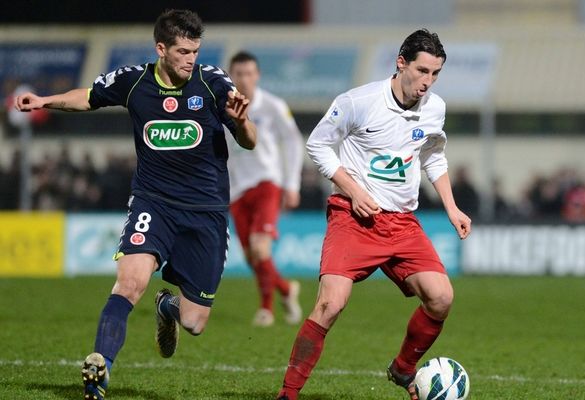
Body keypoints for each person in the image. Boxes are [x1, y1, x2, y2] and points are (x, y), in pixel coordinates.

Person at [15, 9, 256, 400]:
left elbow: (250, 141)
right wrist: (44, 100)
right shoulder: (134, 81)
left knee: (195, 322)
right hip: (153, 202)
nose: (191, 59)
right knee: (129, 283)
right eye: (182, 51)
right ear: (161, 49)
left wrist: (242, 122)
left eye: (195, 51)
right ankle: (100, 367)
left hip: (205, 212)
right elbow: (89, 97)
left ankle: (168, 308)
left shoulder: (213, 84)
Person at [275, 29, 471, 400]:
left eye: (435, 74)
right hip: (353, 217)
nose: (427, 82)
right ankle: (288, 395)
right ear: (401, 63)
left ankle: (403, 368)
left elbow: (433, 154)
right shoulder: (359, 101)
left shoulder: (435, 108)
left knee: (441, 298)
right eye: (422, 71)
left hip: (401, 223)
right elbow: (318, 145)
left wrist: (451, 206)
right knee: (331, 304)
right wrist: (354, 190)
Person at [226, 51, 304, 327]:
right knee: (251, 257)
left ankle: (266, 309)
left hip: (267, 182)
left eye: (249, 73)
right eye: (239, 74)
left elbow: (293, 142)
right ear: (231, 75)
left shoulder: (272, 106)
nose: (244, 79)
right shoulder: (222, 106)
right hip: (236, 190)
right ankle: (285, 289)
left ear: (257, 75)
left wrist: (292, 185)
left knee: (261, 249)